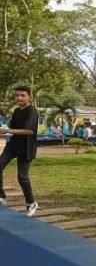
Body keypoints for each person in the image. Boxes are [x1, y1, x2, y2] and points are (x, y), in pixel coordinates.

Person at [0, 86, 39, 216]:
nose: (19, 98)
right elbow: (13, 127)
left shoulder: (32, 111)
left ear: (29, 97)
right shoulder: (17, 111)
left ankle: (31, 203)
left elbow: (29, 131)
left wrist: (6, 131)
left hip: (27, 146)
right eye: (17, 95)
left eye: (22, 95)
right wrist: (5, 129)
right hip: (14, 144)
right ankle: (1, 197)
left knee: (22, 177)